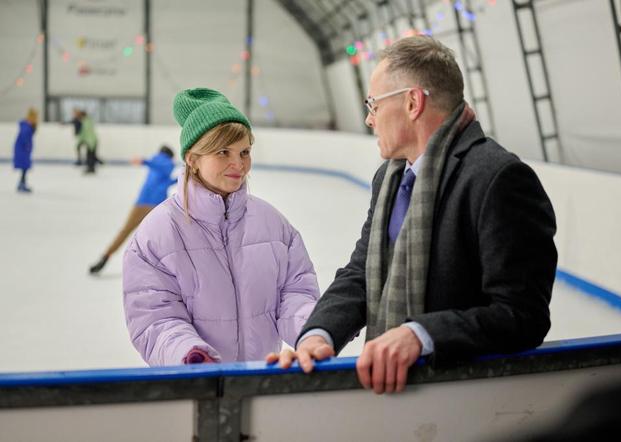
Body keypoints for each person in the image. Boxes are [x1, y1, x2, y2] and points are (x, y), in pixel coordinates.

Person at [268, 35, 557, 394]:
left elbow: (522, 315)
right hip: (394, 395)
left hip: (465, 398)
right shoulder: (390, 178)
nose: (368, 119)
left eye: (373, 104)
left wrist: (421, 335)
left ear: (412, 102)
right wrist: (318, 333)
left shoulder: (497, 178)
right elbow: (361, 273)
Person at [123, 88, 320, 365]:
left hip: (263, 384)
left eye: (245, 152)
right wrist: (191, 355)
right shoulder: (156, 235)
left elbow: (296, 291)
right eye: (223, 152)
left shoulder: (273, 224)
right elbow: (156, 318)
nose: (238, 164)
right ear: (193, 159)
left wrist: (312, 333)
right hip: (197, 385)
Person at [89, 145, 178, 275]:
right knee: (162, 235)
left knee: (126, 230)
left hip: (143, 202)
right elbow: (163, 167)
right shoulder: (164, 162)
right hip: (156, 205)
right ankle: (169, 264)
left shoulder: (156, 162)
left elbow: (164, 179)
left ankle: (105, 256)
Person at [13, 108, 38, 193]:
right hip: (22, 148)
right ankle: (22, 184)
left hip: (24, 148)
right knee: (24, 166)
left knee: (25, 167)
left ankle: (22, 183)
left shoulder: (29, 125)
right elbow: (24, 136)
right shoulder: (26, 125)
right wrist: (27, 145)